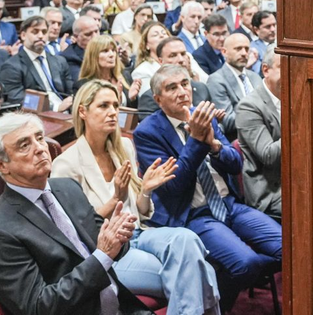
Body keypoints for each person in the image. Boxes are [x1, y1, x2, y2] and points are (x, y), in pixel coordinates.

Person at [52, 80, 220, 314]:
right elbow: (75, 230)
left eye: (115, 105)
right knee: (201, 273)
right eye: (103, 106)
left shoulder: (123, 146)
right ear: (82, 111)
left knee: (186, 238)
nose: (113, 112)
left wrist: (146, 190)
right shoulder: (65, 164)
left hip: (140, 234)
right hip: (108, 250)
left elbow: (140, 211)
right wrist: (116, 198)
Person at [133, 65, 282, 312]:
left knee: (287, 249)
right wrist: (196, 140)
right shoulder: (147, 132)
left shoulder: (203, 115)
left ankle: (214, 277)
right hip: (194, 214)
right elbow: (174, 186)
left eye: (184, 84)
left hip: (229, 204)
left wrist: (214, 145)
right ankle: (213, 304)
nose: (182, 91)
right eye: (172, 87)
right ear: (158, 99)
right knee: (246, 264)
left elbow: (235, 164)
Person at [0, 112, 151, 315]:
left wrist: (119, 236)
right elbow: (39, 306)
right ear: (1, 165)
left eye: (40, 138)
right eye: (24, 145)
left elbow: (106, 245)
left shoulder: (68, 188)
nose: (40, 148)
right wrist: (102, 256)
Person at [235, 47, 282, 219]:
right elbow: (268, 155)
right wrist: (299, 126)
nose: (291, 72)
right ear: (266, 70)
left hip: (298, 180)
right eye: (283, 67)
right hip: (269, 193)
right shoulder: (249, 106)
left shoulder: (296, 95)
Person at [0, 16, 75, 111]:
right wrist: (56, 108)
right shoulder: (11, 66)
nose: (40, 36)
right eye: (35, 32)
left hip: (68, 110)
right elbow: (17, 100)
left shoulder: (59, 61)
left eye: (44, 32)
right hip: (38, 114)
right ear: (23, 35)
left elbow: (71, 91)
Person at [206, 33, 261, 141]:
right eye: (238, 49)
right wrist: (260, 113)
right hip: (239, 140)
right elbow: (227, 121)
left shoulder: (255, 77)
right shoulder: (216, 80)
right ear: (224, 52)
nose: (244, 53)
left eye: (247, 49)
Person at [136, 37, 210, 116]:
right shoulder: (149, 98)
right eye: (173, 55)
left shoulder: (201, 88)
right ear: (160, 61)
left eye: (183, 54)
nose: (181, 59)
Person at [74, 36, 142, 107]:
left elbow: (136, 110)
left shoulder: (125, 76)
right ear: (93, 56)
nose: (111, 55)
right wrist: (117, 100)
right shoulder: (84, 85)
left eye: (113, 50)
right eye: (105, 51)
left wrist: (132, 98)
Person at [131, 22, 171, 94]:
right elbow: (148, 98)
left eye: (164, 33)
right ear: (146, 45)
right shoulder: (142, 71)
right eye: (155, 35)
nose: (161, 35)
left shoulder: (183, 58)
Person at [62, 16, 101, 80]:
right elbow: (82, 82)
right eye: (88, 34)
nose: (95, 37)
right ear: (76, 37)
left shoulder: (108, 49)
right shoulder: (70, 58)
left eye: (96, 31)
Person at [248, 11, 276, 76]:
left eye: (274, 25)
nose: (273, 29)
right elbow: (258, 74)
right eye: (268, 26)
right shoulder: (253, 49)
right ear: (257, 30)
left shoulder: (281, 45)